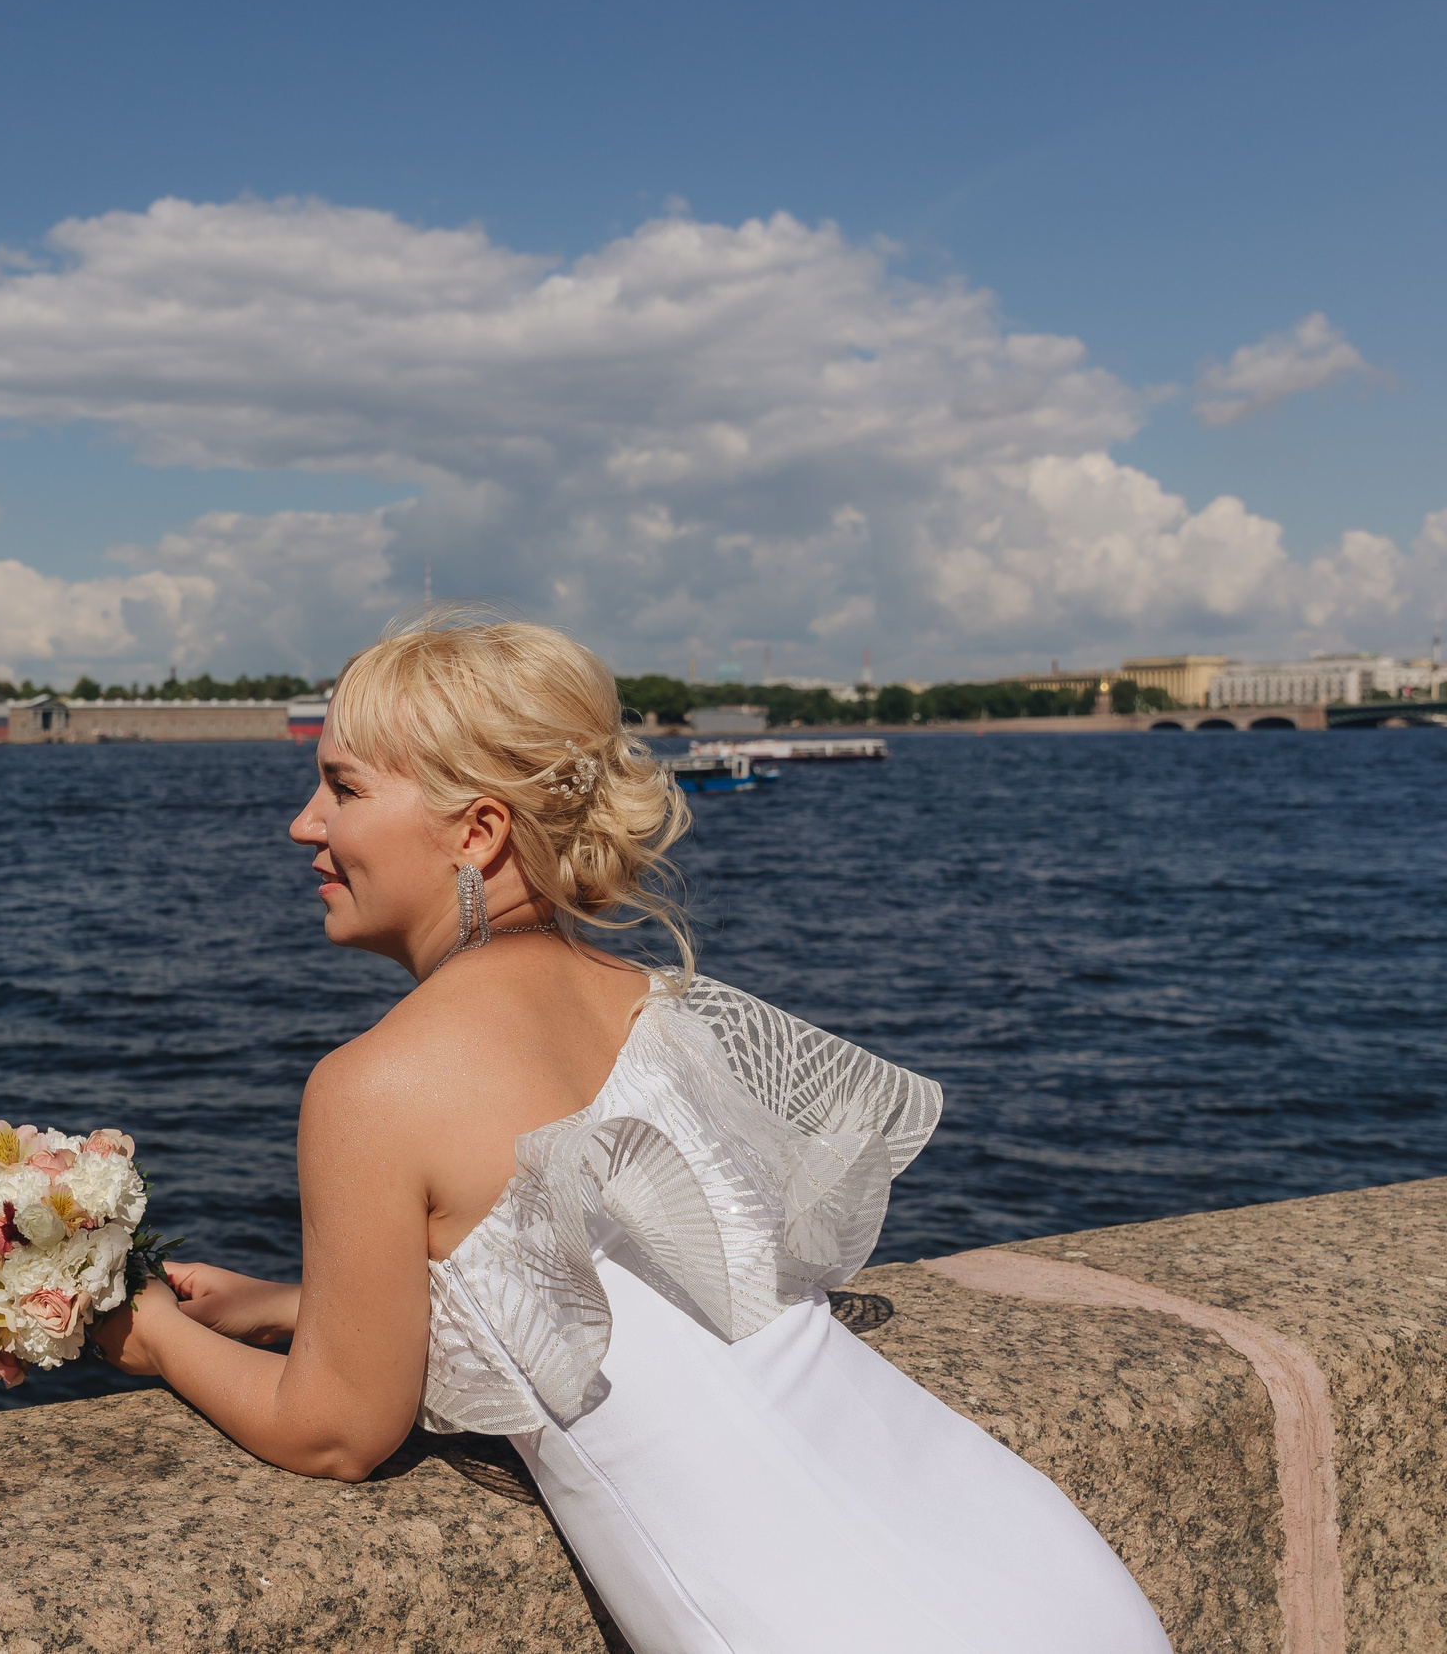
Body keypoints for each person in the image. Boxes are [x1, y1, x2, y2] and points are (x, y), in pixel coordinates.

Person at [94, 610, 1169, 1654]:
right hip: (1030, 1556)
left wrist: (152, 1335)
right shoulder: (658, 1006)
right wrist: (292, 1305)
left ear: (477, 832)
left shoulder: (371, 1085)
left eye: (342, 786)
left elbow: (334, 1430)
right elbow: (617, 1296)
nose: (305, 823)